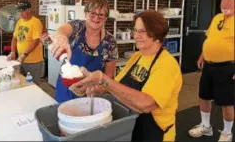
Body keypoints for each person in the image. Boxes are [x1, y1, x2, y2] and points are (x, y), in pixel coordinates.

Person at [70, 10, 183, 141]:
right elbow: (116, 85)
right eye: (135, 30)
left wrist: (104, 79)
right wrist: (94, 86)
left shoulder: (166, 65)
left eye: (142, 31)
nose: (136, 35)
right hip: (133, 128)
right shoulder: (137, 57)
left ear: (157, 34)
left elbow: (145, 104)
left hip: (156, 135)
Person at [49, 0, 118, 103]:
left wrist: (100, 89)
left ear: (106, 18)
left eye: (101, 14)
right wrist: (61, 38)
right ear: (85, 14)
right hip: (66, 89)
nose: (96, 17)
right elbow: (63, 29)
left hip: (90, 94)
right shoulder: (77, 27)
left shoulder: (109, 41)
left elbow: (109, 76)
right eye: (92, 13)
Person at [188, 0, 234, 142]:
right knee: (203, 96)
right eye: (222, 3)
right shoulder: (217, 18)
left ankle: (227, 132)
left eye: (228, 3)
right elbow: (210, 38)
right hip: (209, 65)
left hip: (228, 67)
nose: (224, 6)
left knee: (226, 101)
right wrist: (202, 56)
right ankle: (206, 126)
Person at [7, 0, 44, 85]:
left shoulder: (35, 22)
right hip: (21, 60)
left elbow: (36, 41)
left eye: (22, 11)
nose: (20, 13)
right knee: (23, 83)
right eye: (19, 11)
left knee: (33, 85)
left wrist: (25, 54)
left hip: (33, 61)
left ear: (29, 10)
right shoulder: (20, 21)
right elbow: (15, 38)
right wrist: (13, 52)